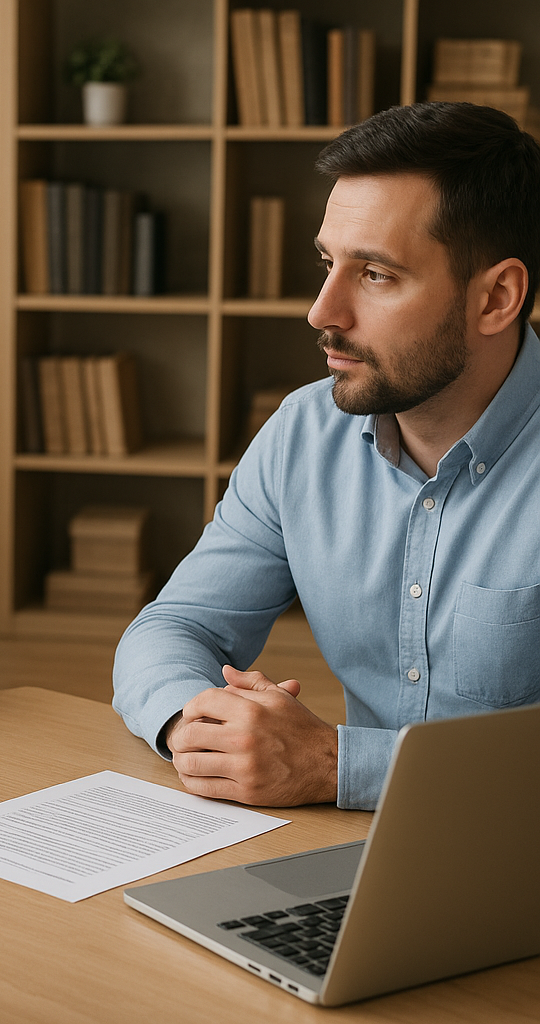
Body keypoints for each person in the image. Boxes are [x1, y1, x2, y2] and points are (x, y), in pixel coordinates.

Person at [112, 102, 540, 810]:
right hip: (356, 846)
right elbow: (175, 628)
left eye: (376, 274)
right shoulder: (304, 433)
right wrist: (203, 725)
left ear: (496, 297)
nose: (321, 312)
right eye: (328, 263)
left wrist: (336, 764)